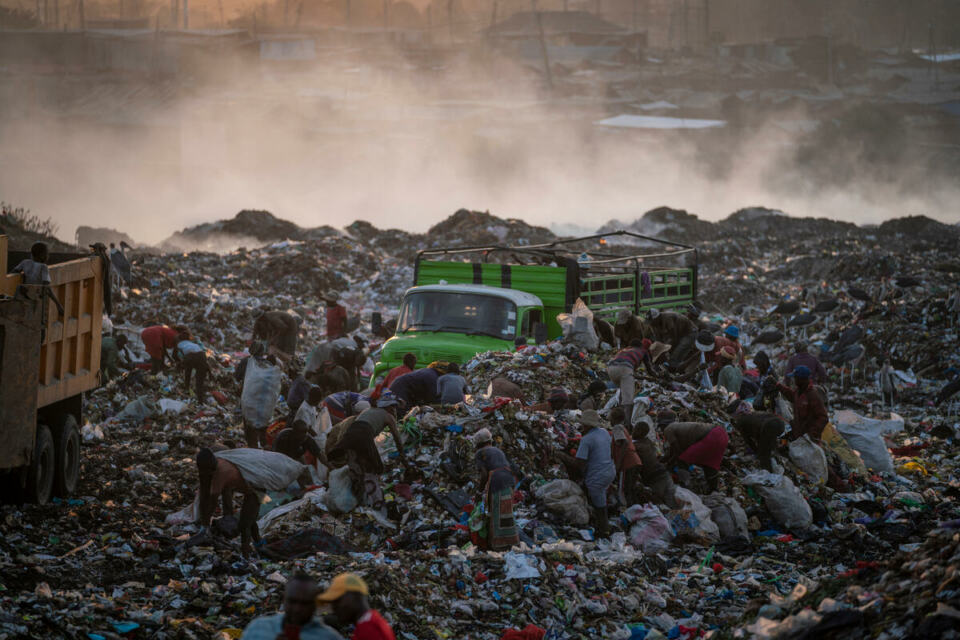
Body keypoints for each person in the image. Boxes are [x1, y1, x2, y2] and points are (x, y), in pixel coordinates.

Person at [196, 447, 306, 556]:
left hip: (256, 490)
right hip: (250, 489)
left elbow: (212, 500)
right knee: (251, 520)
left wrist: (205, 526)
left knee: (244, 524)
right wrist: (203, 524)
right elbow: (204, 495)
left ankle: (246, 554)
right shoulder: (210, 468)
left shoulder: (221, 470)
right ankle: (259, 544)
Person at [326, 394, 409, 513]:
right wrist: (404, 459)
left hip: (350, 435)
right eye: (393, 407)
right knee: (374, 469)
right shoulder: (388, 416)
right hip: (363, 435)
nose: (394, 410)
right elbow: (397, 438)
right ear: (388, 407)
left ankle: (356, 502)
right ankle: (375, 504)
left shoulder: (368, 410)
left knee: (355, 468)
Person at [559, 410, 615, 537]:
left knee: (599, 504)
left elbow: (579, 464)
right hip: (610, 470)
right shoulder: (604, 432)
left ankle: (604, 530)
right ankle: (601, 525)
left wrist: (562, 456)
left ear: (586, 425)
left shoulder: (587, 439)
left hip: (598, 475)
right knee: (600, 499)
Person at [242, 572, 343, 640]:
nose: (297, 609)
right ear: (283, 600)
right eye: (292, 601)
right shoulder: (258, 628)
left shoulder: (328, 637)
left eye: (305, 603)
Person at [472, 428, 520, 550]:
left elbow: (483, 474)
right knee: (507, 512)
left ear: (478, 443)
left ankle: (498, 545)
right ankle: (512, 542)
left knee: (496, 513)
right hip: (509, 480)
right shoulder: (498, 450)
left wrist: (478, 491)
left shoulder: (479, 453)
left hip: (497, 481)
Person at [317, 573, 395, 640]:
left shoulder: (370, 630)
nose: (334, 608)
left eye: (337, 601)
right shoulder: (368, 624)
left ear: (354, 596)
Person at [662, 420, 729, 492]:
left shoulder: (668, 429)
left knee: (683, 460)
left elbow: (678, 451)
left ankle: (685, 485)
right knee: (709, 463)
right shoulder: (678, 427)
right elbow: (673, 452)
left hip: (710, 436)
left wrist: (666, 465)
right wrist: (667, 462)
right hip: (722, 434)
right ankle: (713, 489)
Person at [606, 339, 657, 424]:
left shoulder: (625, 350)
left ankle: (617, 419)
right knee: (628, 401)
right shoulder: (643, 351)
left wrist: (644, 377)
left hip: (611, 369)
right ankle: (627, 424)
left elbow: (628, 372)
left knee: (622, 395)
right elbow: (650, 370)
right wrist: (657, 376)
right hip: (625, 369)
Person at [11, 241, 64, 317]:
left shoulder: (25, 263)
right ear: (45, 256)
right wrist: (58, 304)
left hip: (23, 295)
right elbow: (46, 287)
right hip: (35, 298)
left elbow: (13, 272)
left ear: (32, 254)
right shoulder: (43, 267)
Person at [777, 366, 828, 442]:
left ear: (802, 379)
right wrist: (778, 386)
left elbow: (823, 417)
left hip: (809, 439)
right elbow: (792, 396)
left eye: (795, 378)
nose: (794, 380)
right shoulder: (799, 391)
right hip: (799, 435)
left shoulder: (812, 395)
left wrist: (812, 433)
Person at [608, 406, 642, 507]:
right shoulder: (623, 428)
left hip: (627, 463)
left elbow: (624, 443)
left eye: (610, 417)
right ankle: (636, 509)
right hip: (635, 461)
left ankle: (627, 511)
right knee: (630, 489)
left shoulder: (617, 427)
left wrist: (618, 463)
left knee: (623, 490)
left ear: (614, 419)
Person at [177, 329, 210, 399]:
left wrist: (181, 364)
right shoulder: (194, 344)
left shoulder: (179, 345)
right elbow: (203, 349)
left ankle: (187, 388)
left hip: (190, 356)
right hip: (201, 355)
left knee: (187, 374)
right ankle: (200, 399)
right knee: (199, 380)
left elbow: (180, 355)